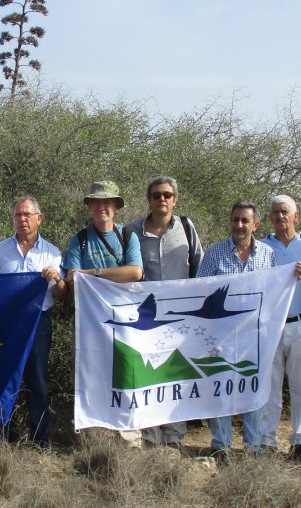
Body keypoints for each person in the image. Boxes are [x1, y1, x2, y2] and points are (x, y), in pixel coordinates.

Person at [62, 180, 143, 445]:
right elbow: (72, 278)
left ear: (115, 207)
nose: (101, 207)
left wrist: (92, 273)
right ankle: (92, 438)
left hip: (124, 322)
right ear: (90, 207)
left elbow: (135, 272)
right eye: (96, 202)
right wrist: (106, 277)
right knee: (89, 377)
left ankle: (129, 437)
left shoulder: (128, 236)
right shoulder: (80, 240)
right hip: (89, 324)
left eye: (107, 202)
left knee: (127, 376)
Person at [126, 176, 203, 448]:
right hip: (146, 316)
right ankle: (149, 434)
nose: (162, 200)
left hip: (181, 315)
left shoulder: (186, 228)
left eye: (167, 195)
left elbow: (200, 268)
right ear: (148, 199)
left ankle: (173, 438)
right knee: (147, 375)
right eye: (157, 195)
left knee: (176, 376)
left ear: (175, 199)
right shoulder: (132, 231)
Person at [196, 201, 277, 461]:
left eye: (245, 220)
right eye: (235, 220)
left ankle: (253, 445)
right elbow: (200, 289)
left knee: (252, 389)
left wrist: (293, 276)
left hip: (254, 336)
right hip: (221, 335)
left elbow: (274, 289)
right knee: (220, 389)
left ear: (256, 224)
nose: (240, 225)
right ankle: (221, 444)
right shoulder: (215, 253)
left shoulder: (267, 254)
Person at [0, 196, 65, 448]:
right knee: (4, 378)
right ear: (12, 219)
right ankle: (1, 437)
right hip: (7, 323)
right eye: (18, 215)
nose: (22, 220)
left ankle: (39, 440)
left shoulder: (52, 253)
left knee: (37, 381)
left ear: (38, 219)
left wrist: (57, 279)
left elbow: (61, 294)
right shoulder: (0, 251)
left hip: (38, 323)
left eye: (27, 215)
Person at [257, 194, 301, 462]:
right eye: (274, 212)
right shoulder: (261, 247)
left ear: (296, 216)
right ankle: (266, 440)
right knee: (269, 385)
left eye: (284, 212)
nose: (279, 216)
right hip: (270, 325)